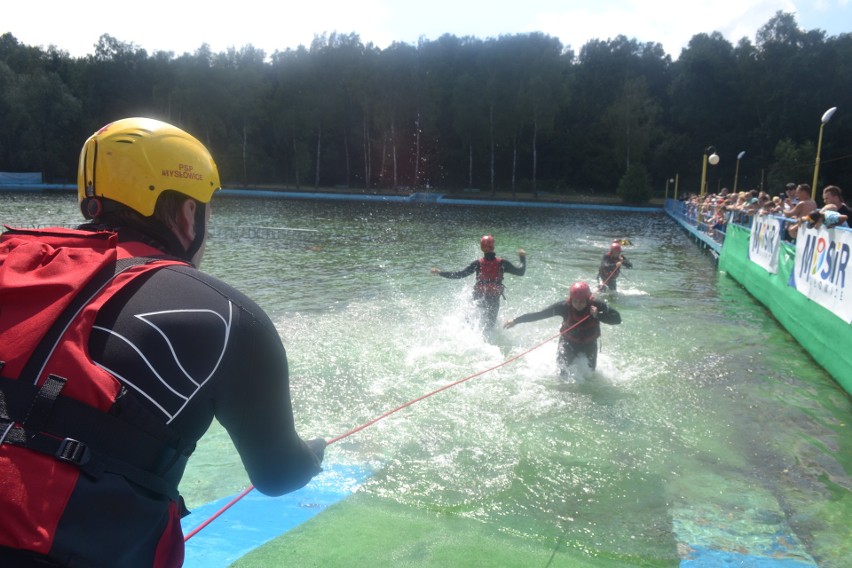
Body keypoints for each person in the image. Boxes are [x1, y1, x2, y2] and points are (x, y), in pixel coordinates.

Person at [0, 117, 326, 567]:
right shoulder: (229, 316)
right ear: (188, 213)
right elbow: (277, 476)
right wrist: (312, 455)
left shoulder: (11, 261)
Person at [503, 281, 621, 374]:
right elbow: (539, 314)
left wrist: (598, 315)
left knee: (590, 374)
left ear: (588, 300)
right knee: (562, 372)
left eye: (581, 302)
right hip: (568, 342)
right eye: (575, 302)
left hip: (589, 343)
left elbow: (617, 319)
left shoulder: (597, 305)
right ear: (571, 299)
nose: (578, 305)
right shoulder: (563, 307)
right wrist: (516, 321)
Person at [431, 235, 526, 331]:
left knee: (468, 322)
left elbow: (459, 274)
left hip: (478, 297)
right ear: (493, 246)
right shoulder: (502, 263)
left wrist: (440, 272)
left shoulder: (477, 263)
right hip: (493, 300)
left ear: (482, 248)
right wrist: (522, 258)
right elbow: (521, 272)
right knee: (489, 329)